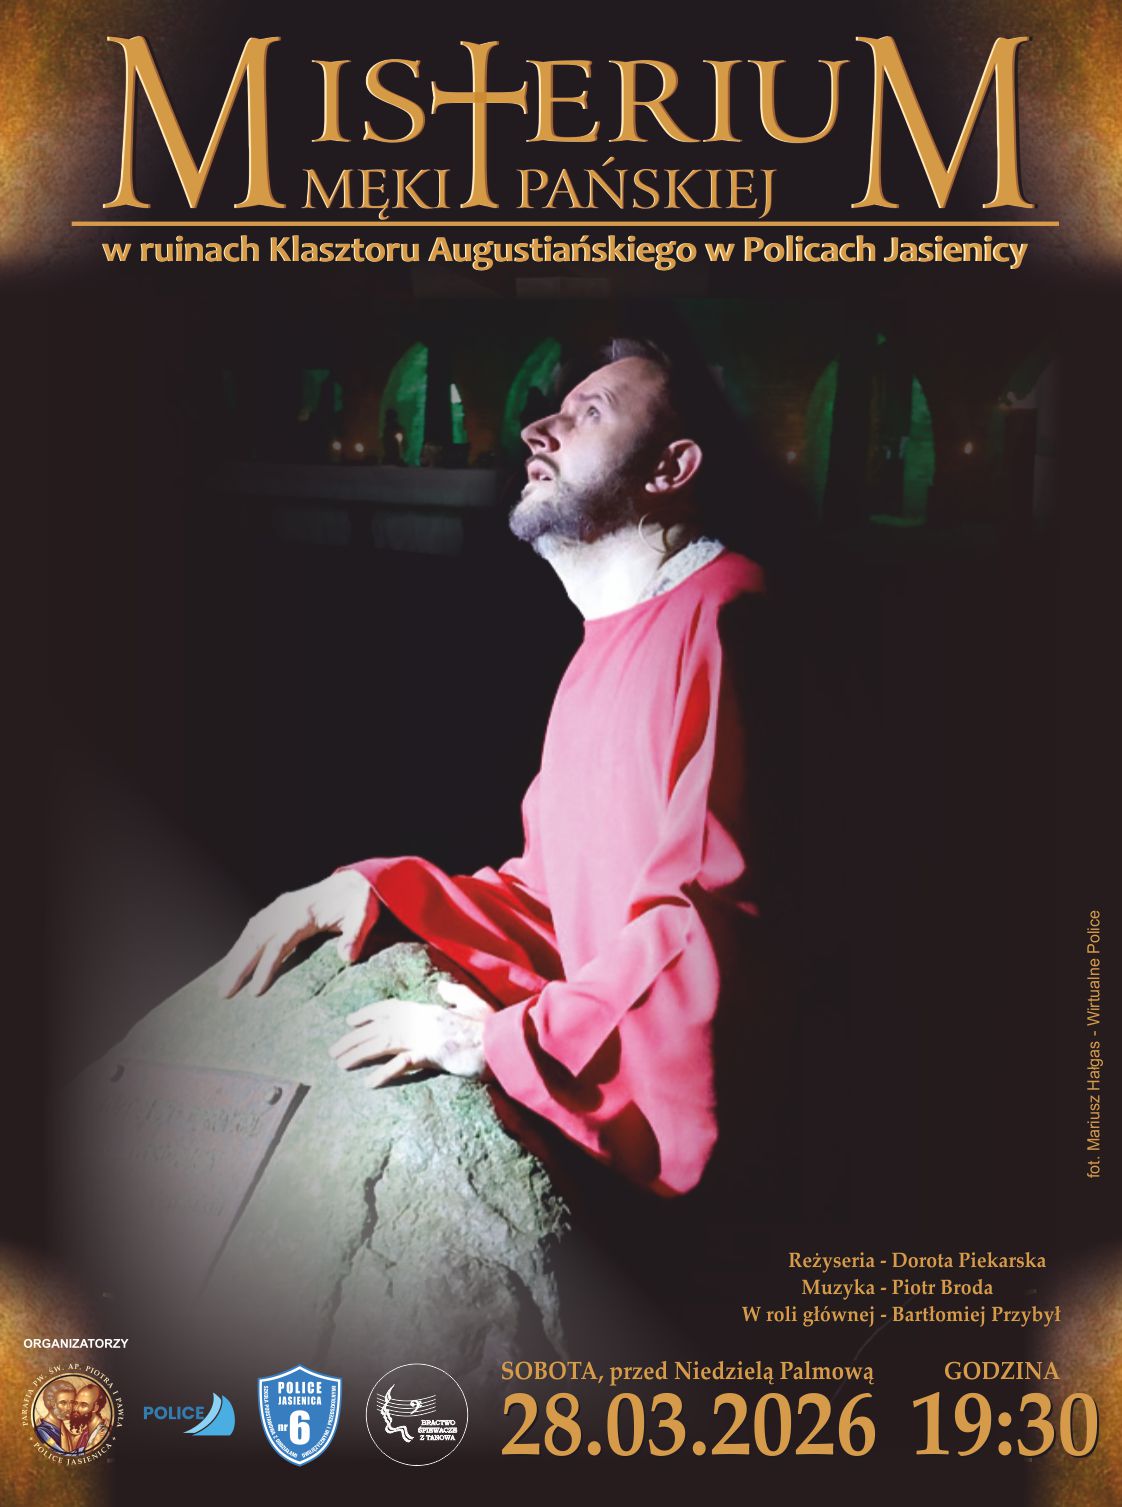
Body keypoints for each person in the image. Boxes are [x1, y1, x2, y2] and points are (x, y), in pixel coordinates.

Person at [219, 338, 767, 1199]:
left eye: (589, 412)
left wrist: (501, 1043)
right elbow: (559, 903)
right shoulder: (607, 643)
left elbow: (703, 936)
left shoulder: (725, 620)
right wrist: (375, 889)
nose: (537, 429)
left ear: (672, 467)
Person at [34, 1379, 78, 1452]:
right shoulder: (42, 1432)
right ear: (53, 1403)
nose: (69, 1408)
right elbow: (62, 1455)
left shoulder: (62, 1427)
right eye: (63, 1403)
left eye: (72, 1402)